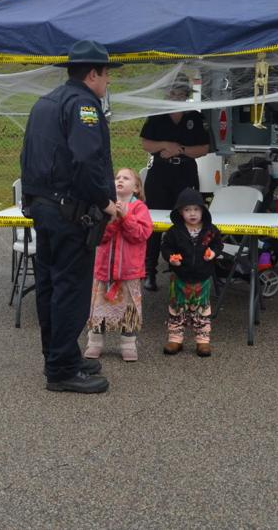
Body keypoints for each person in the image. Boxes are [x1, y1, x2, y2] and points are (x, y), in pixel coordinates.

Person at [20, 40, 120, 394]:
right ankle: (62, 370)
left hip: (45, 209)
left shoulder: (47, 102)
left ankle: (58, 356)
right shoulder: (83, 106)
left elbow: (28, 156)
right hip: (70, 213)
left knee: (49, 286)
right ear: (93, 73)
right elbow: (86, 161)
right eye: (107, 75)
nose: (108, 82)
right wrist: (106, 201)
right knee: (70, 290)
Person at [138, 78, 210, 292]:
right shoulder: (157, 115)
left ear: (186, 94)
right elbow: (145, 143)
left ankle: (184, 267)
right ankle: (149, 271)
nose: (176, 97)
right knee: (154, 224)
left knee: (186, 221)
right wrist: (165, 145)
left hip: (185, 172)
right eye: (173, 94)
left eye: (180, 94)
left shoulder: (195, 118)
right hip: (160, 174)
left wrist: (180, 150)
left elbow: (204, 148)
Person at [84, 167, 153, 362]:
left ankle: (128, 344)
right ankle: (95, 342)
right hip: (104, 270)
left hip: (129, 271)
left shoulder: (140, 208)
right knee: (98, 309)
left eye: (126, 178)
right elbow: (100, 237)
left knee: (129, 310)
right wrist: (113, 219)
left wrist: (126, 217)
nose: (119, 180)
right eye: (117, 177)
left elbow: (140, 234)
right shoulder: (106, 206)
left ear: (136, 187)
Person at [160, 188, 224, 357]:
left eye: (196, 209)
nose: (192, 214)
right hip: (180, 276)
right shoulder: (174, 231)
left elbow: (218, 244)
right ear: (180, 212)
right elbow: (166, 247)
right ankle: (175, 338)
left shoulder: (211, 230)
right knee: (176, 309)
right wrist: (170, 258)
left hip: (202, 277)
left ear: (203, 210)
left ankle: (203, 342)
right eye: (187, 210)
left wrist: (213, 253)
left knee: (202, 310)